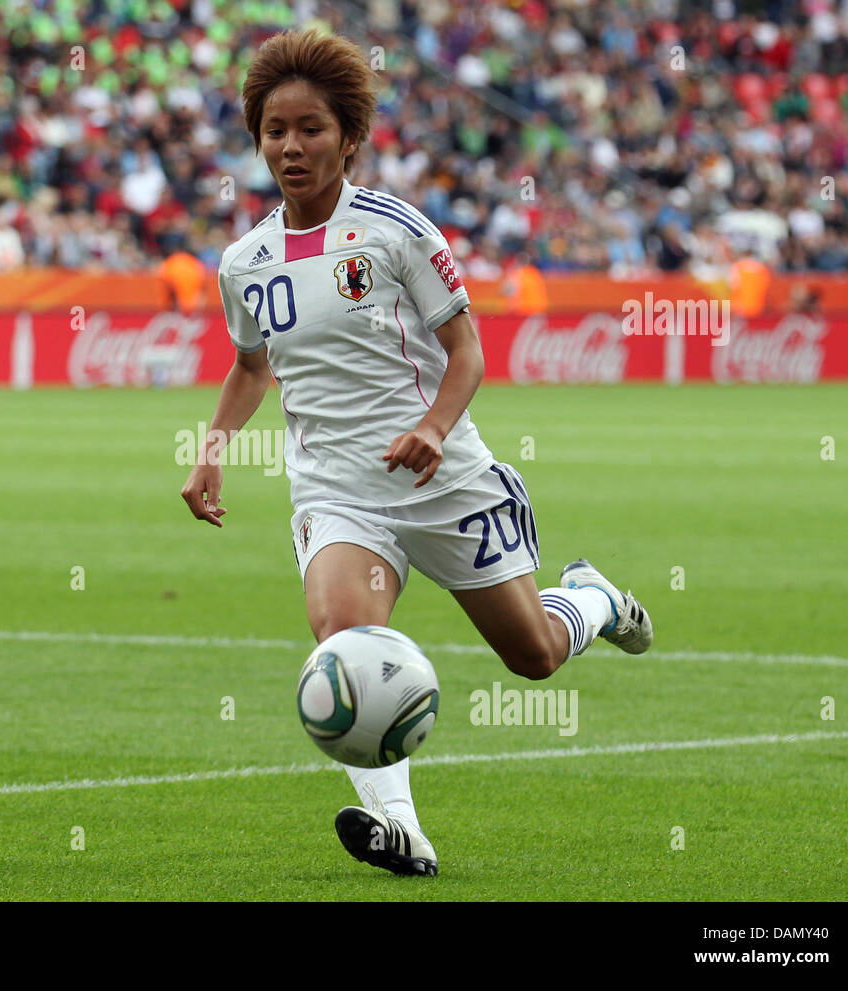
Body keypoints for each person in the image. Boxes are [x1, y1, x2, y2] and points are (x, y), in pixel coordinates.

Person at [180, 29, 653, 878]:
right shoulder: (243, 262)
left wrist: (433, 426)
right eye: (275, 130)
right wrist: (212, 450)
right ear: (256, 137)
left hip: (444, 479)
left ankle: (589, 598)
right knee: (345, 637)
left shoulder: (396, 232)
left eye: (311, 129)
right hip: (338, 491)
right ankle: (401, 829)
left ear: (348, 136)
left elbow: (467, 351)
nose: (291, 146)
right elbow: (254, 364)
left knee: (532, 655)